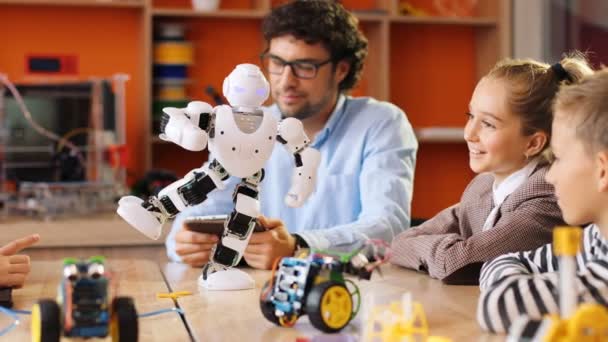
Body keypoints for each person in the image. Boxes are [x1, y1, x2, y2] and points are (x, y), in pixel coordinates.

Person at [165, 0, 417, 269]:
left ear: (341, 69)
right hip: (259, 293)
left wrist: (298, 246)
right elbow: (194, 215)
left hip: (351, 290)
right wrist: (185, 243)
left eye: (305, 66)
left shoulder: (381, 123)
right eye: (276, 62)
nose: (285, 81)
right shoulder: (247, 127)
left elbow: (388, 227)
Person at [390, 55, 593, 285]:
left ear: (533, 143)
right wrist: (446, 248)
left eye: (488, 124)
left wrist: (442, 248)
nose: (469, 133)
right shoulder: (483, 186)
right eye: (471, 116)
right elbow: (400, 243)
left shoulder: (549, 196)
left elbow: (455, 263)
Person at [477, 67, 607, 334]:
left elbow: (497, 305)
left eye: (557, 158)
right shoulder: (597, 239)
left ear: (602, 170)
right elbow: (501, 261)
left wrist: (543, 289)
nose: (550, 176)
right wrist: (557, 286)